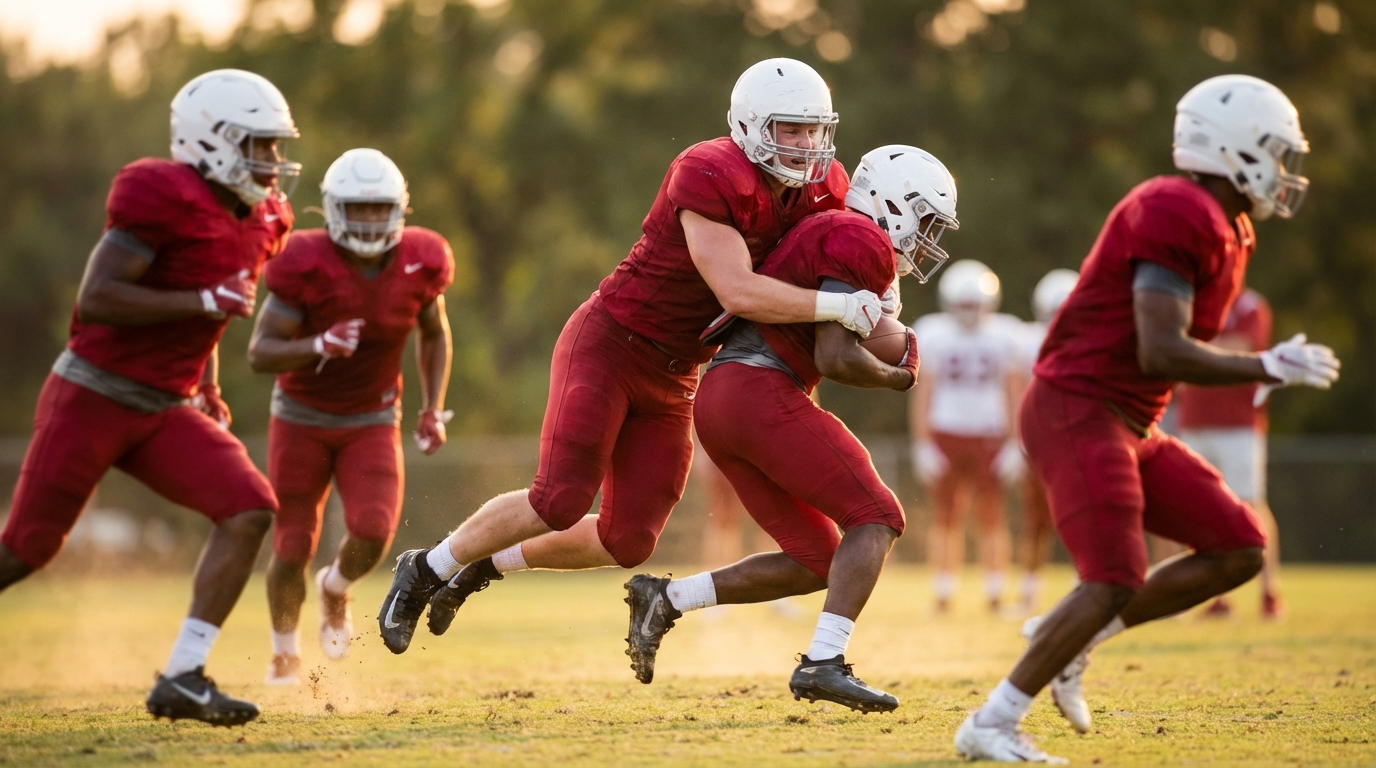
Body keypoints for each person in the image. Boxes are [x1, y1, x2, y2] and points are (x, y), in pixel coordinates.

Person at [376, 58, 882, 655]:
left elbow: (839, 257)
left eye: (813, 130)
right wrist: (839, 306)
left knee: (629, 541)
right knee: (558, 499)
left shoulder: (825, 189)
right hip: (613, 343)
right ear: (749, 126)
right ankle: (425, 567)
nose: (803, 145)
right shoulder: (710, 171)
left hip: (680, 372)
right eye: (789, 129)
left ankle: (484, 565)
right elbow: (737, 291)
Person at [955, 75, 1338, 763]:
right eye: (1276, 151)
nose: (1283, 170)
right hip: (1077, 405)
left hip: (1130, 419)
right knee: (1113, 574)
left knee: (1239, 545)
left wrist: (1261, 366)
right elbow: (1159, 347)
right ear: (1236, 148)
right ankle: (991, 721)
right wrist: (1265, 366)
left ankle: (1078, 639)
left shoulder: (1232, 228)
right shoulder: (1174, 209)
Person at [0, 70, 300, 726]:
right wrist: (199, 299)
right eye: (260, 145)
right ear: (213, 140)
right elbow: (98, 297)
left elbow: (210, 317)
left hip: (166, 406)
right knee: (25, 549)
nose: (272, 162)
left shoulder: (261, 220)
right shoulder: (163, 194)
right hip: (94, 392)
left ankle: (183, 676)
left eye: (275, 147)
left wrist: (208, 384)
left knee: (249, 509)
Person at [627, 145, 954, 709]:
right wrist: (900, 375)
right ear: (894, 203)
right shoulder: (861, 235)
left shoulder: (836, 228)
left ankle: (667, 599)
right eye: (923, 220)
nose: (924, 238)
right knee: (877, 516)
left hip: (725, 394)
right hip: (759, 389)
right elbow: (835, 356)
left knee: (817, 559)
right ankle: (824, 663)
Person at [247, 149, 454, 684]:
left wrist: (432, 407)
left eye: (378, 208)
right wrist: (318, 344)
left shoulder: (420, 259)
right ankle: (284, 651)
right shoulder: (304, 261)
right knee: (292, 542)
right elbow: (260, 352)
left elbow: (434, 333)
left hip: (372, 416)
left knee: (374, 528)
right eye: (357, 208)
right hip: (301, 415)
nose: (367, 220)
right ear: (334, 209)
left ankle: (335, 587)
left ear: (398, 209)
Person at [909, 260, 1024, 613]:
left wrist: (1015, 442)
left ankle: (995, 592)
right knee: (945, 517)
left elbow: (1014, 392)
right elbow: (923, 391)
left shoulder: (1005, 334)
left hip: (989, 432)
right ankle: (943, 592)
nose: (970, 312)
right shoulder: (934, 333)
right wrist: (922, 442)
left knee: (993, 515)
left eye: (975, 304)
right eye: (963, 304)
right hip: (946, 430)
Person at [1173, 288, 1283, 619]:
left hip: (1239, 423)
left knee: (1250, 502)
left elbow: (1243, 346)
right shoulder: (1191, 300)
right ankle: (1215, 596)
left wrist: (1191, 350)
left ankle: (1269, 591)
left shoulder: (1250, 306)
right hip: (1194, 420)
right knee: (1195, 508)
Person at [1011, 269, 1078, 615]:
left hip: (1079, 440)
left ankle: (1087, 585)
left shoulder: (1091, 338)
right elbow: (1016, 390)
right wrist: (1017, 438)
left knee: (1082, 517)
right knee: (1036, 521)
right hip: (1041, 442)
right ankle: (1029, 592)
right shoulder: (1027, 341)